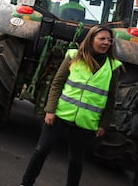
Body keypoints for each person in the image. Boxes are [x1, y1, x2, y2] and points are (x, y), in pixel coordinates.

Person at [20, 25, 122, 186]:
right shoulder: (73, 56)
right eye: (102, 39)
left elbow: (111, 98)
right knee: (41, 150)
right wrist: (50, 110)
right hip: (60, 114)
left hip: (86, 121)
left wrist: (103, 123)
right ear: (91, 40)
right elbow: (57, 83)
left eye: (109, 40)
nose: (106, 43)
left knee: (76, 161)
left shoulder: (113, 66)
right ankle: (26, 183)